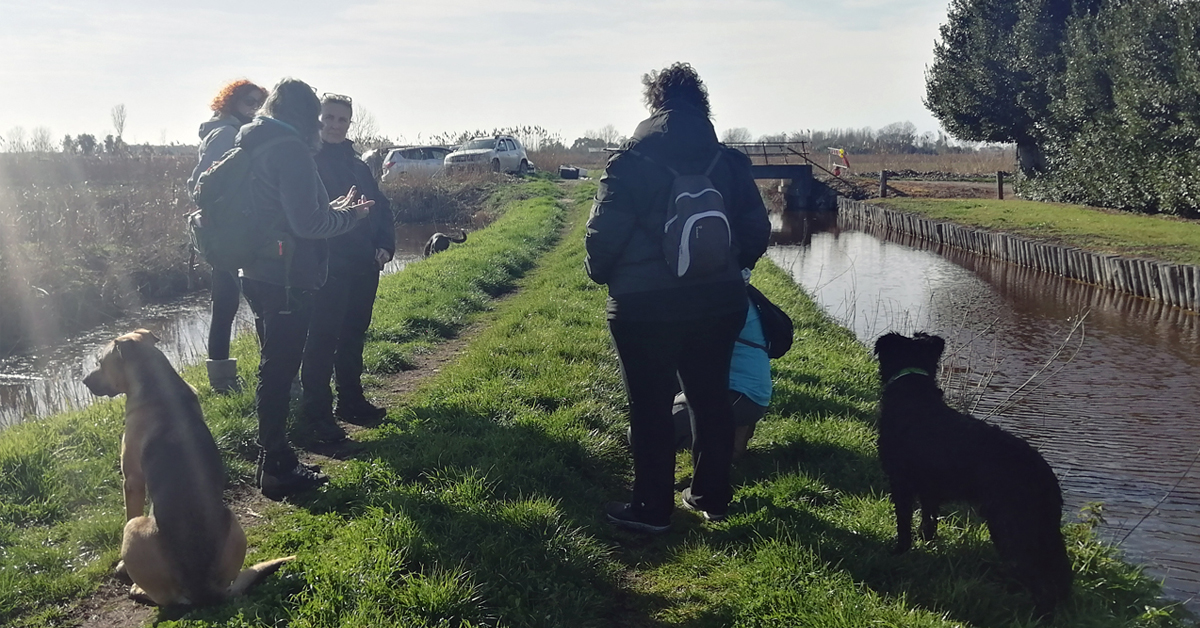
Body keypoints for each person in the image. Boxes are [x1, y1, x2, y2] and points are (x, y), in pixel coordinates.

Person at [584, 63, 771, 532]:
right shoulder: (728, 161)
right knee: (709, 398)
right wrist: (733, 268)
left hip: (644, 306)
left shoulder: (629, 160)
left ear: (654, 103)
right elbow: (756, 229)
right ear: (702, 105)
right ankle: (710, 496)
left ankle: (651, 510)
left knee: (649, 407)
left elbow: (604, 234)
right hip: (720, 301)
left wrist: (603, 275)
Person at [235, 78, 373, 499]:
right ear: (306, 115)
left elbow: (287, 212)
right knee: (278, 370)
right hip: (286, 276)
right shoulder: (290, 149)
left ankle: (276, 458)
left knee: (273, 364)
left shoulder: (253, 140)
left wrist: (332, 208)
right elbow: (308, 225)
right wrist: (348, 218)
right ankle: (276, 465)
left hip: (257, 267)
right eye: (318, 115)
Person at [298, 93, 395, 444]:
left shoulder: (358, 165)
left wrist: (385, 246)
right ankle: (317, 416)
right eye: (329, 118)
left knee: (354, 336)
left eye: (342, 119)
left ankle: (351, 402)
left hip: (364, 264)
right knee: (321, 342)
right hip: (326, 268)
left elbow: (381, 208)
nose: (335, 125)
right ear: (317, 120)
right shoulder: (307, 162)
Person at [187, 80, 268, 393]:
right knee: (233, 303)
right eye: (249, 102)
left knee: (230, 303)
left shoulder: (232, 129)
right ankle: (227, 383)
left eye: (259, 103)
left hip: (232, 231)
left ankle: (230, 380)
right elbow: (202, 185)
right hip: (229, 233)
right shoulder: (226, 133)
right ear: (231, 102)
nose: (254, 108)